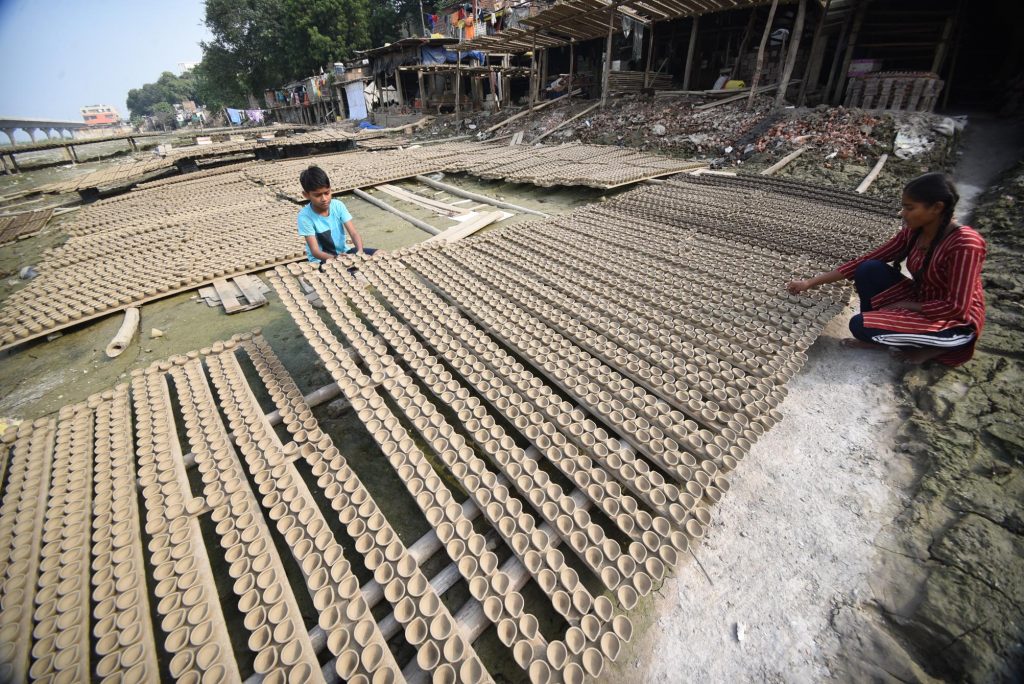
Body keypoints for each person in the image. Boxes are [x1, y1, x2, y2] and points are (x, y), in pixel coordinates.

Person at [786, 172, 986, 366]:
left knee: (859, 325)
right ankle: (879, 333)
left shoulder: (965, 244)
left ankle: (941, 346)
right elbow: (865, 261)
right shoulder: (914, 232)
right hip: (922, 298)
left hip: (954, 320)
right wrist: (809, 283)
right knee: (868, 268)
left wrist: (906, 305)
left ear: (936, 208)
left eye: (910, 208)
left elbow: (957, 307)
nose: (903, 213)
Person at [297, 166, 376, 269]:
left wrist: (360, 252)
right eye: (317, 195)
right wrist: (336, 258)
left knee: (380, 254)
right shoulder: (305, 217)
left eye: (327, 193)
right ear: (306, 195)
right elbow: (315, 251)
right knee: (348, 277)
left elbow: (353, 233)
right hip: (322, 260)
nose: (324, 199)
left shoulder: (338, 205)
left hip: (344, 253)